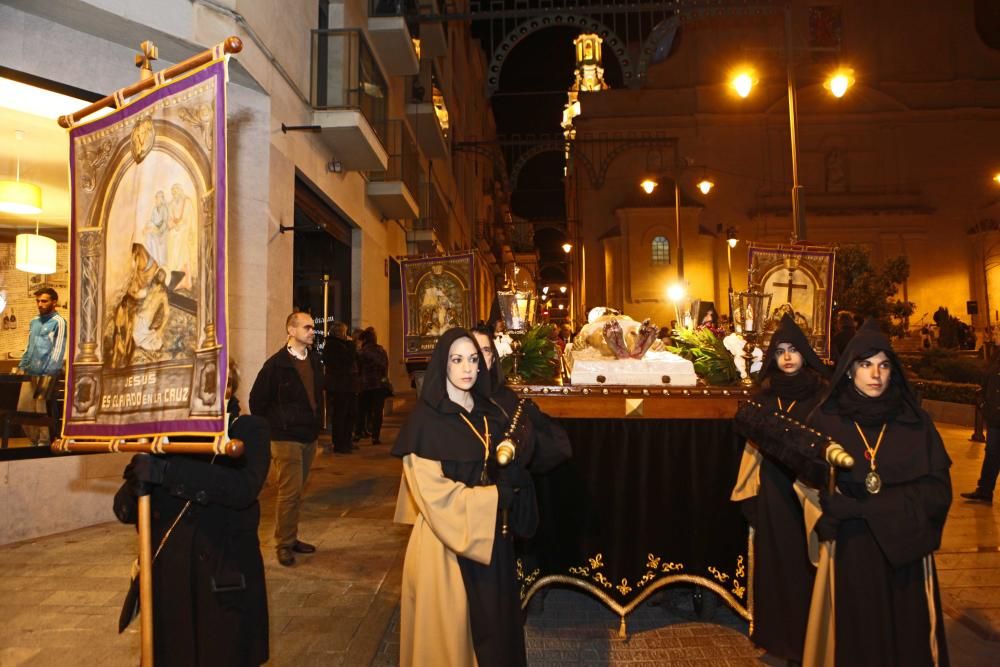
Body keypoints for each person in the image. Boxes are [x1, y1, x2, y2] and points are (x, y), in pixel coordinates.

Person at [804, 319, 951, 667]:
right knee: (856, 636)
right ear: (850, 370)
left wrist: (868, 509)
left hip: (905, 548)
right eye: (866, 365)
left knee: (907, 635)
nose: (876, 375)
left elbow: (937, 493)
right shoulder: (826, 420)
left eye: (884, 365)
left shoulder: (916, 422)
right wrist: (823, 513)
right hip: (850, 551)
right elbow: (805, 485)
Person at [392, 328, 537, 667]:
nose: (467, 368)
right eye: (457, 360)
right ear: (443, 364)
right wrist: (495, 497)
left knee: (496, 630)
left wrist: (515, 477)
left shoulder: (488, 410)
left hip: (493, 544)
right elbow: (434, 497)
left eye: (473, 359)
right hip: (446, 546)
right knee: (452, 640)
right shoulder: (423, 423)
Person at [112, 367, 271, 666]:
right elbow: (125, 511)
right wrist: (138, 481)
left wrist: (168, 472)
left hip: (221, 580)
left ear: (228, 386)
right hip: (169, 582)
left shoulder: (248, 429)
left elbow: (242, 489)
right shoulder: (165, 437)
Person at [731, 314, 828, 664]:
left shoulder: (821, 396)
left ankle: (808, 639)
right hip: (774, 487)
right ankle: (776, 638)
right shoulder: (765, 394)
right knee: (776, 563)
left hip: (808, 490)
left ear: (806, 353)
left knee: (807, 564)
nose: (787, 357)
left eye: (794, 350)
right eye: (781, 351)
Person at [249, 311, 324, 567]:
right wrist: (275, 427)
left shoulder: (314, 361)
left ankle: (290, 538)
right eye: (307, 327)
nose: (312, 331)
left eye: (313, 327)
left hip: (308, 435)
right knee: (289, 493)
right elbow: (256, 401)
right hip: (285, 438)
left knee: (297, 492)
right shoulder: (275, 365)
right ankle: (283, 544)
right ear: (291, 331)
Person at [472, 325, 572, 473]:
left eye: (485, 351)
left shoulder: (506, 398)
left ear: (493, 358)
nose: (478, 357)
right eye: (473, 350)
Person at [15, 287, 67, 446]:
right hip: (30, 370)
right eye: (38, 301)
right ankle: (33, 440)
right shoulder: (34, 321)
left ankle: (44, 442)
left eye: (44, 301)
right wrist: (21, 366)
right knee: (23, 408)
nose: (40, 304)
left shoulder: (59, 322)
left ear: (54, 302)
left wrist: (50, 372)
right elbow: (28, 346)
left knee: (41, 409)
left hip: (46, 373)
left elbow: (58, 349)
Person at [961, 351, 1000, 503]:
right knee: (991, 455)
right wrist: (984, 405)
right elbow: (985, 385)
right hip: (995, 420)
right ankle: (984, 491)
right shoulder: (995, 362)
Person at [323, 321, 359, 454]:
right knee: (341, 415)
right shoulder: (332, 345)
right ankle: (340, 444)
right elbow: (347, 360)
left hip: (348, 385)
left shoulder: (341, 345)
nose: (347, 335)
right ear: (339, 333)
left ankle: (347, 441)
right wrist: (351, 344)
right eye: (345, 332)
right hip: (340, 386)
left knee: (350, 414)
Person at [357, 327, 389, 444]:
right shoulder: (381, 351)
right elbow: (385, 367)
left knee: (362, 410)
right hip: (379, 385)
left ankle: (358, 433)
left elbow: (358, 369)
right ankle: (375, 436)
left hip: (365, 385)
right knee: (378, 412)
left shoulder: (362, 352)